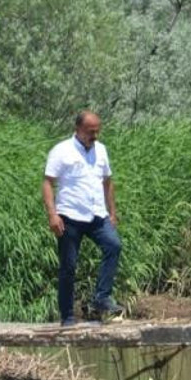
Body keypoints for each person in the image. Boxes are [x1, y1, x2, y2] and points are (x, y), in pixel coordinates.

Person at [42, 110, 123, 326]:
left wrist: (112, 212)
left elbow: (107, 182)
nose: (94, 136)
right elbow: (47, 182)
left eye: (97, 132)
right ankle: (67, 316)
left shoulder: (101, 151)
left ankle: (101, 298)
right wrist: (52, 214)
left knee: (113, 245)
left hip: (97, 214)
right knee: (68, 267)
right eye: (90, 132)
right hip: (69, 216)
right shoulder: (62, 151)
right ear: (78, 129)